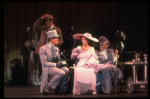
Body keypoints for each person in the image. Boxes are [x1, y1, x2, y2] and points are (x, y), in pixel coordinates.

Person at [39, 30, 69, 95]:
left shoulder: (56, 49)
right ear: (51, 39)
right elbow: (44, 63)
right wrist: (56, 64)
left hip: (55, 67)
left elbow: (58, 60)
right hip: (47, 68)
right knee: (61, 72)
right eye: (56, 38)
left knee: (66, 70)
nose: (58, 39)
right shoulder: (43, 48)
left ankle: (59, 88)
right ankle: (47, 87)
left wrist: (62, 62)